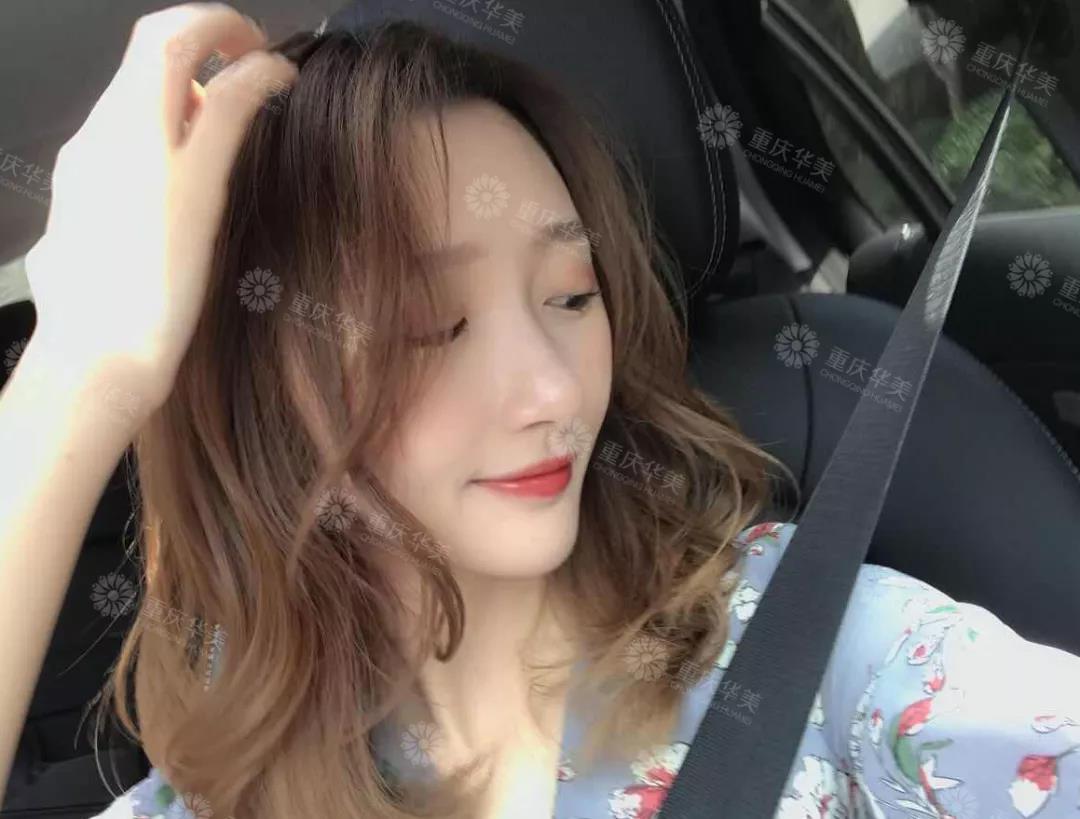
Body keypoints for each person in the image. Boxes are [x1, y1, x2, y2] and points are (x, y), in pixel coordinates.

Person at [0, 4, 1077, 818]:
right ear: (261, 395)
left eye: (571, 295)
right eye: (430, 326)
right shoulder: (213, 803)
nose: (556, 391)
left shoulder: (818, 647)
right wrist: (81, 375)